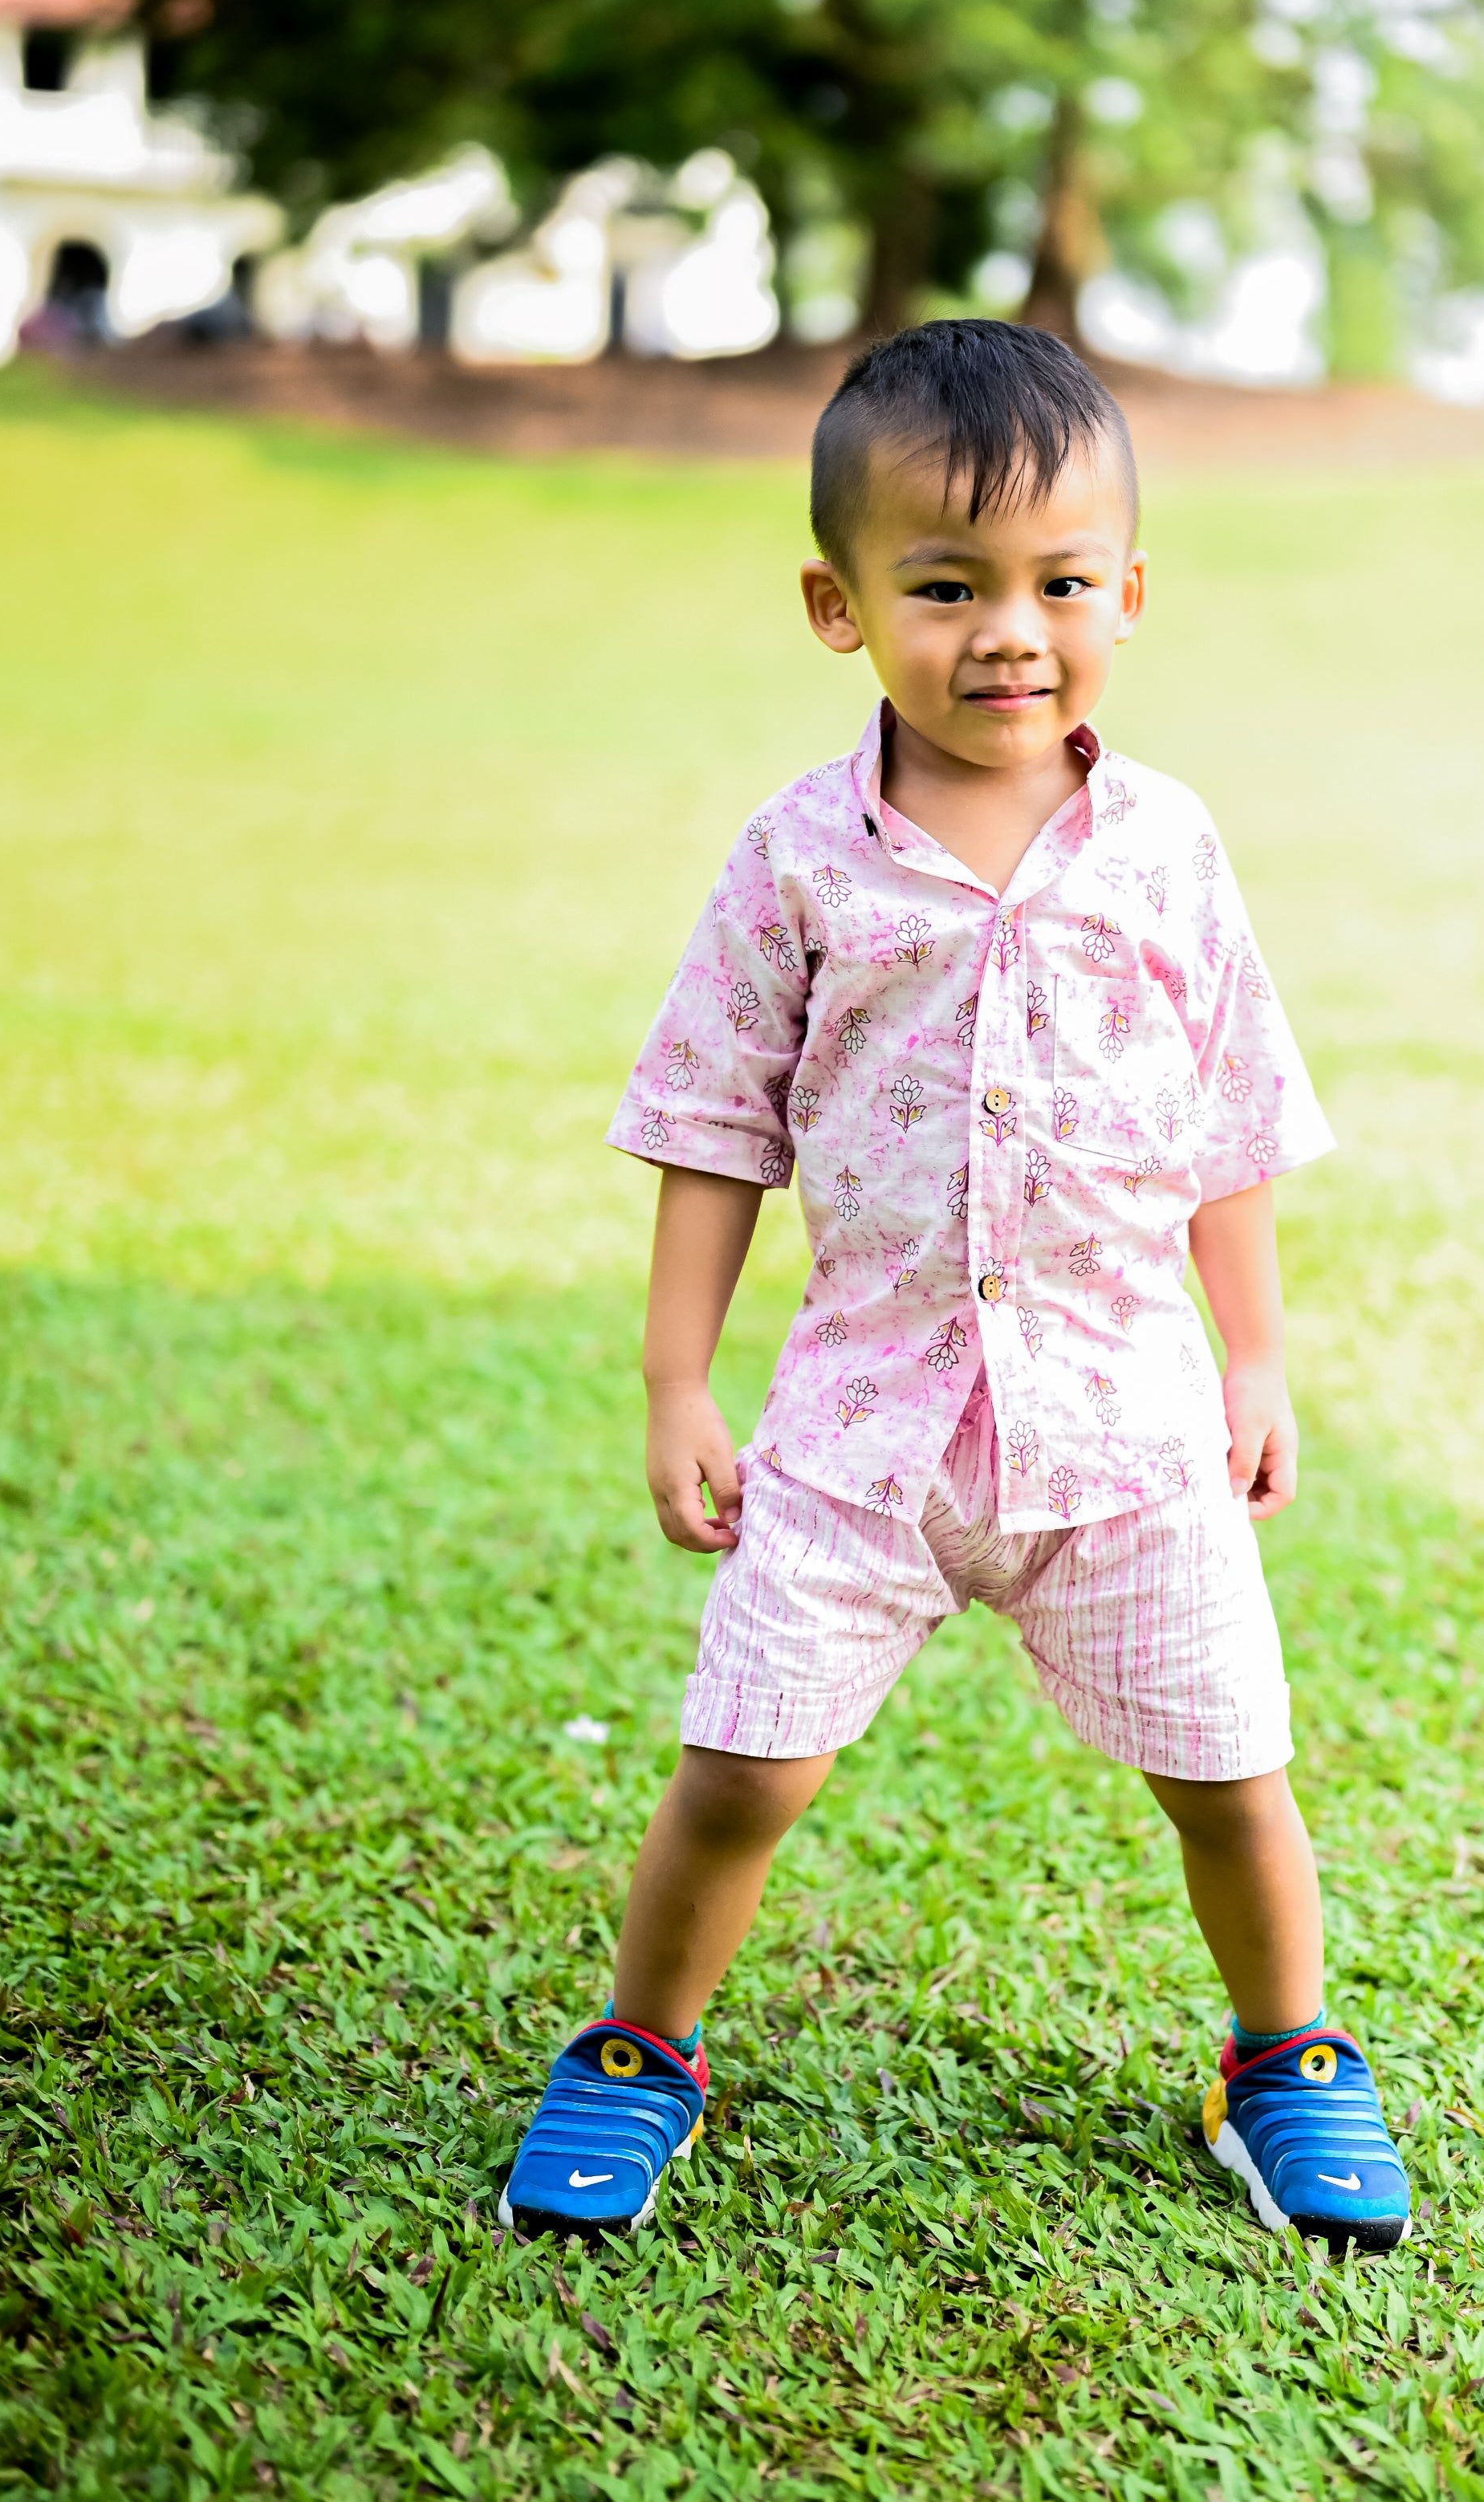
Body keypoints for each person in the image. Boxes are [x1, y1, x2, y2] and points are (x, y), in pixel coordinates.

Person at [501, 321, 1410, 2251]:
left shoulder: (1164, 850)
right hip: (864, 1414)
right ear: (838, 607)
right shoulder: (796, 860)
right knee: (742, 1762)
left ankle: (1287, 2057)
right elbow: (708, 1122)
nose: (1012, 629)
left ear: (1130, 595)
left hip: (1126, 1412)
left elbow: (1227, 1117)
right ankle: (638, 2046)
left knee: (1232, 1770)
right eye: (947, 586)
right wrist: (679, 1380)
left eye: (1060, 583)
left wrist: (1253, 1352)